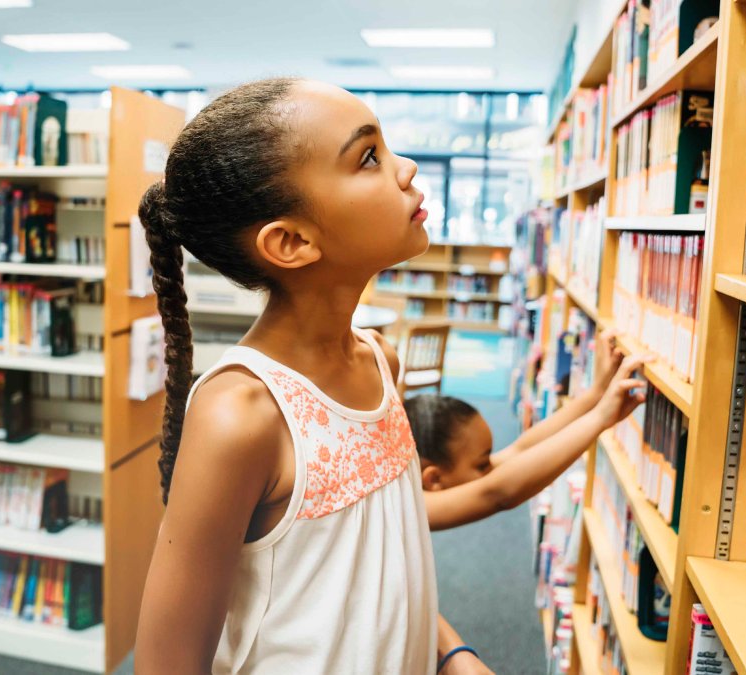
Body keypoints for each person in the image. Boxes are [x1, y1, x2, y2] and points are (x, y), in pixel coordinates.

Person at [134, 76, 493, 673]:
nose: (405, 169)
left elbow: (376, 559)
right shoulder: (241, 416)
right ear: (293, 241)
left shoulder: (381, 361)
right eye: (369, 157)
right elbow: (167, 663)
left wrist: (447, 649)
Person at [405, 329, 650, 531]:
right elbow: (497, 493)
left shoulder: (407, 480)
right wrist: (599, 419)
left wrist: (596, 395)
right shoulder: (404, 508)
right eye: (481, 466)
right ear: (434, 479)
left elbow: (520, 450)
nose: (492, 469)